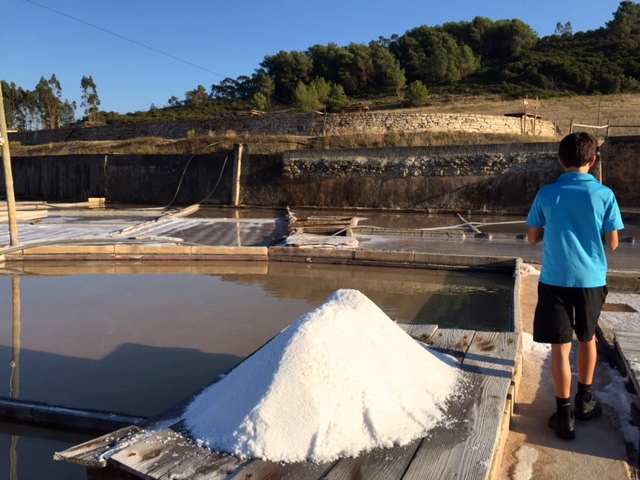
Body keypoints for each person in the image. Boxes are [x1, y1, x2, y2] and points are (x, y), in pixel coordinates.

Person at [526, 131, 624, 440]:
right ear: (593, 161)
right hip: (591, 280)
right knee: (588, 338)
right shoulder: (605, 195)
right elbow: (613, 243)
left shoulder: (547, 193)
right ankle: (586, 401)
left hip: (555, 279)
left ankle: (564, 414)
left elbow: (532, 237)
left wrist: (550, 231)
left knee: (560, 346)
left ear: (560, 160)